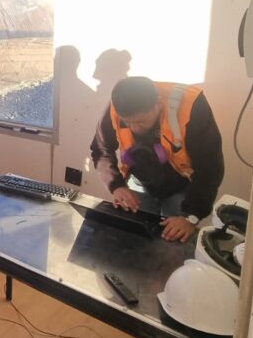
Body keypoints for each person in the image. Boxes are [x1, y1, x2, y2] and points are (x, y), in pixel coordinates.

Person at [90, 76, 225, 243]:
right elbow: (101, 149)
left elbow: (209, 166)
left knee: (172, 244)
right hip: (138, 182)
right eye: (127, 123)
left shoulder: (192, 106)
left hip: (180, 186)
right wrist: (116, 185)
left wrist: (191, 216)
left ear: (159, 103)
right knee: (135, 239)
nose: (135, 128)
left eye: (141, 121)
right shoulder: (116, 106)